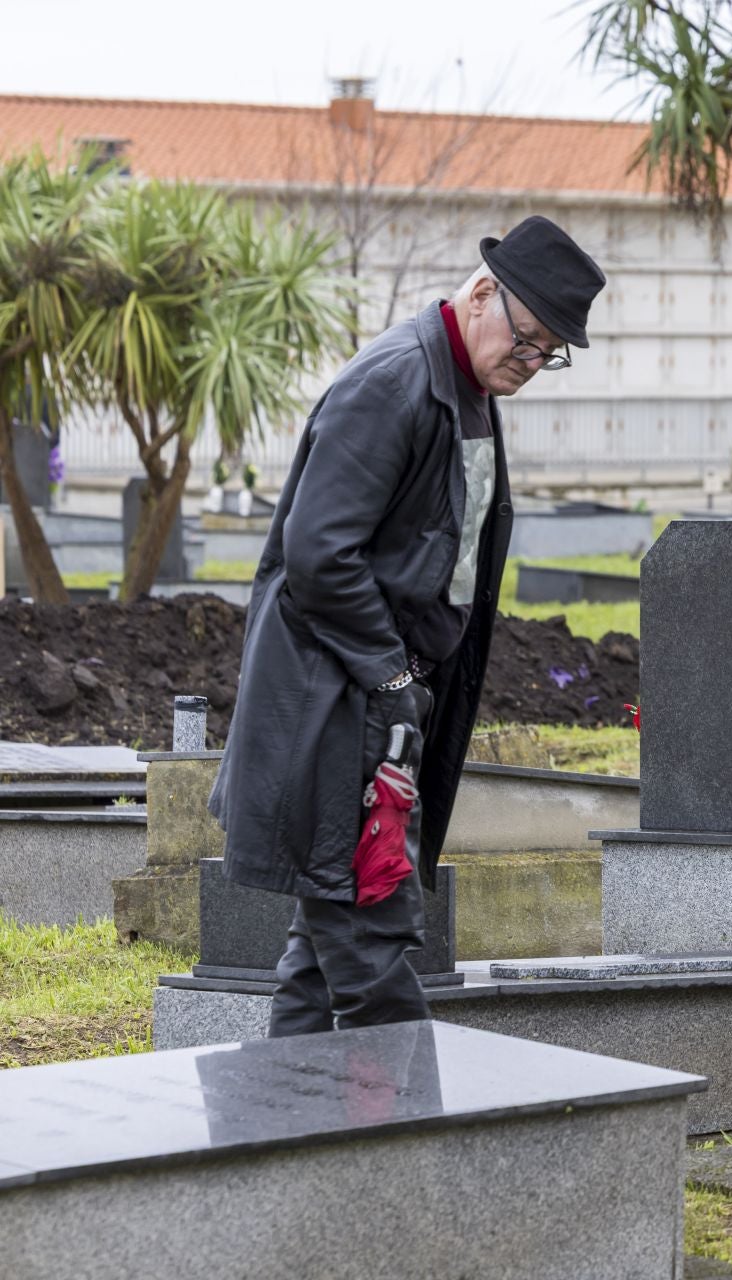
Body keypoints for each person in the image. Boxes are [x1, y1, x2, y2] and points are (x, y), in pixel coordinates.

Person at [209, 216, 606, 1035]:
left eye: (550, 354)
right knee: (374, 951)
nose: (532, 364)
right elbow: (319, 556)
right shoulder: (394, 384)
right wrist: (392, 677)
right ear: (484, 293)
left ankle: (283, 1118)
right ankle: (417, 1121)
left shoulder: (468, 386)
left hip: (384, 706)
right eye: (529, 340)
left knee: (320, 966)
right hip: (341, 704)